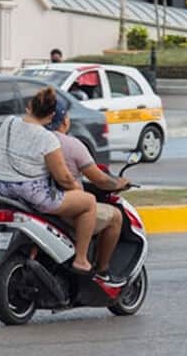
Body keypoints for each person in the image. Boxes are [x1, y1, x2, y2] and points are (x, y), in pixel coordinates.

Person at [0, 87, 96, 276]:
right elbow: (63, 177)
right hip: (32, 194)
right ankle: (81, 259)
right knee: (89, 203)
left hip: (0, 189)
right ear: (52, 115)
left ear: (29, 106)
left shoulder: (8, 123)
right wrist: (77, 189)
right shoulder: (47, 138)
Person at [47, 99, 129, 283]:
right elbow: (99, 179)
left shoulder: (33, 141)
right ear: (64, 121)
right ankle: (102, 269)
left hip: (35, 201)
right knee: (115, 216)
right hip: (64, 206)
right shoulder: (71, 144)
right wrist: (118, 183)